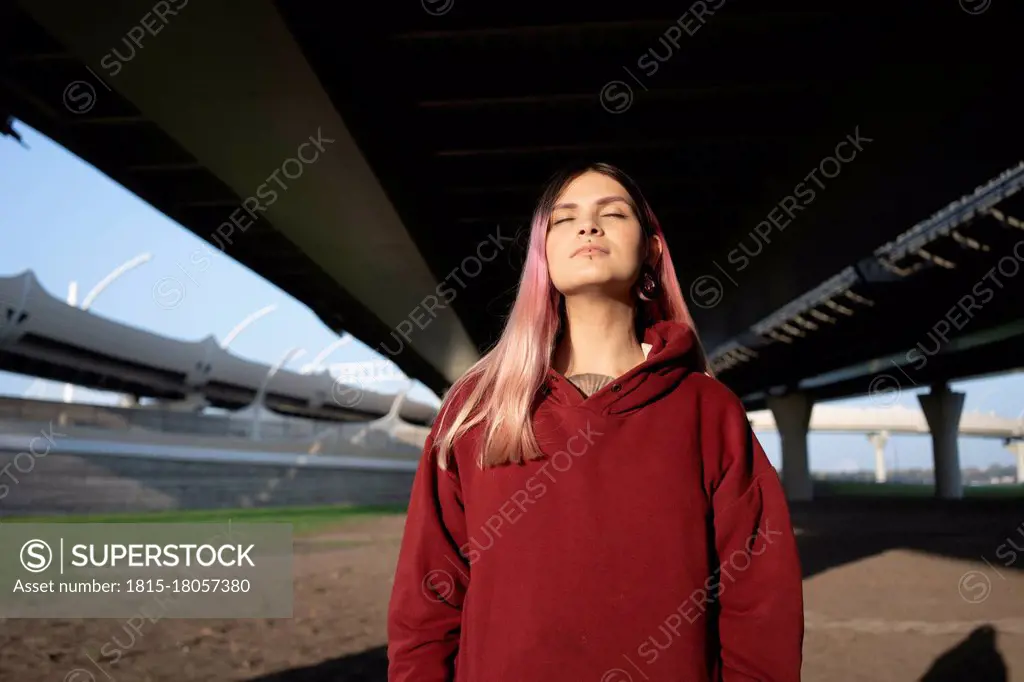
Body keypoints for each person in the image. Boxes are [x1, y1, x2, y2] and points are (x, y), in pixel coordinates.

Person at [387, 162, 804, 682]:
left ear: (651, 249)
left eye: (613, 213)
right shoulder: (477, 410)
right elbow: (426, 604)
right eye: (565, 219)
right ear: (543, 254)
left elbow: (760, 601)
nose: (588, 227)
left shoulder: (708, 410)